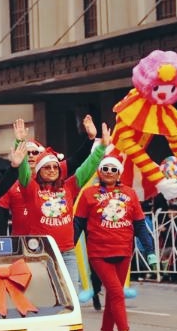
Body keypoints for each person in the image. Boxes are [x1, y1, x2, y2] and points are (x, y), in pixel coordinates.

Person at [74, 152, 155, 331]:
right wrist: (65, 246)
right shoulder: (87, 194)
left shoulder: (130, 193)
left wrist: (150, 250)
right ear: (99, 172)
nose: (109, 172)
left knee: (113, 296)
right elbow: (78, 225)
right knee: (117, 293)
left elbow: (139, 224)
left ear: (119, 173)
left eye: (113, 169)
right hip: (99, 253)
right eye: (105, 169)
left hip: (124, 251)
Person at [18, 122, 112, 294]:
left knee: (71, 298)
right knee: (46, 298)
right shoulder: (31, 189)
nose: (52, 170)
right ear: (38, 171)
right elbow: (23, 171)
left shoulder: (68, 187)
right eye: (47, 167)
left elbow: (87, 167)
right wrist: (20, 143)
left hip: (67, 252)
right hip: (41, 253)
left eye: (55, 167)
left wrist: (101, 147)